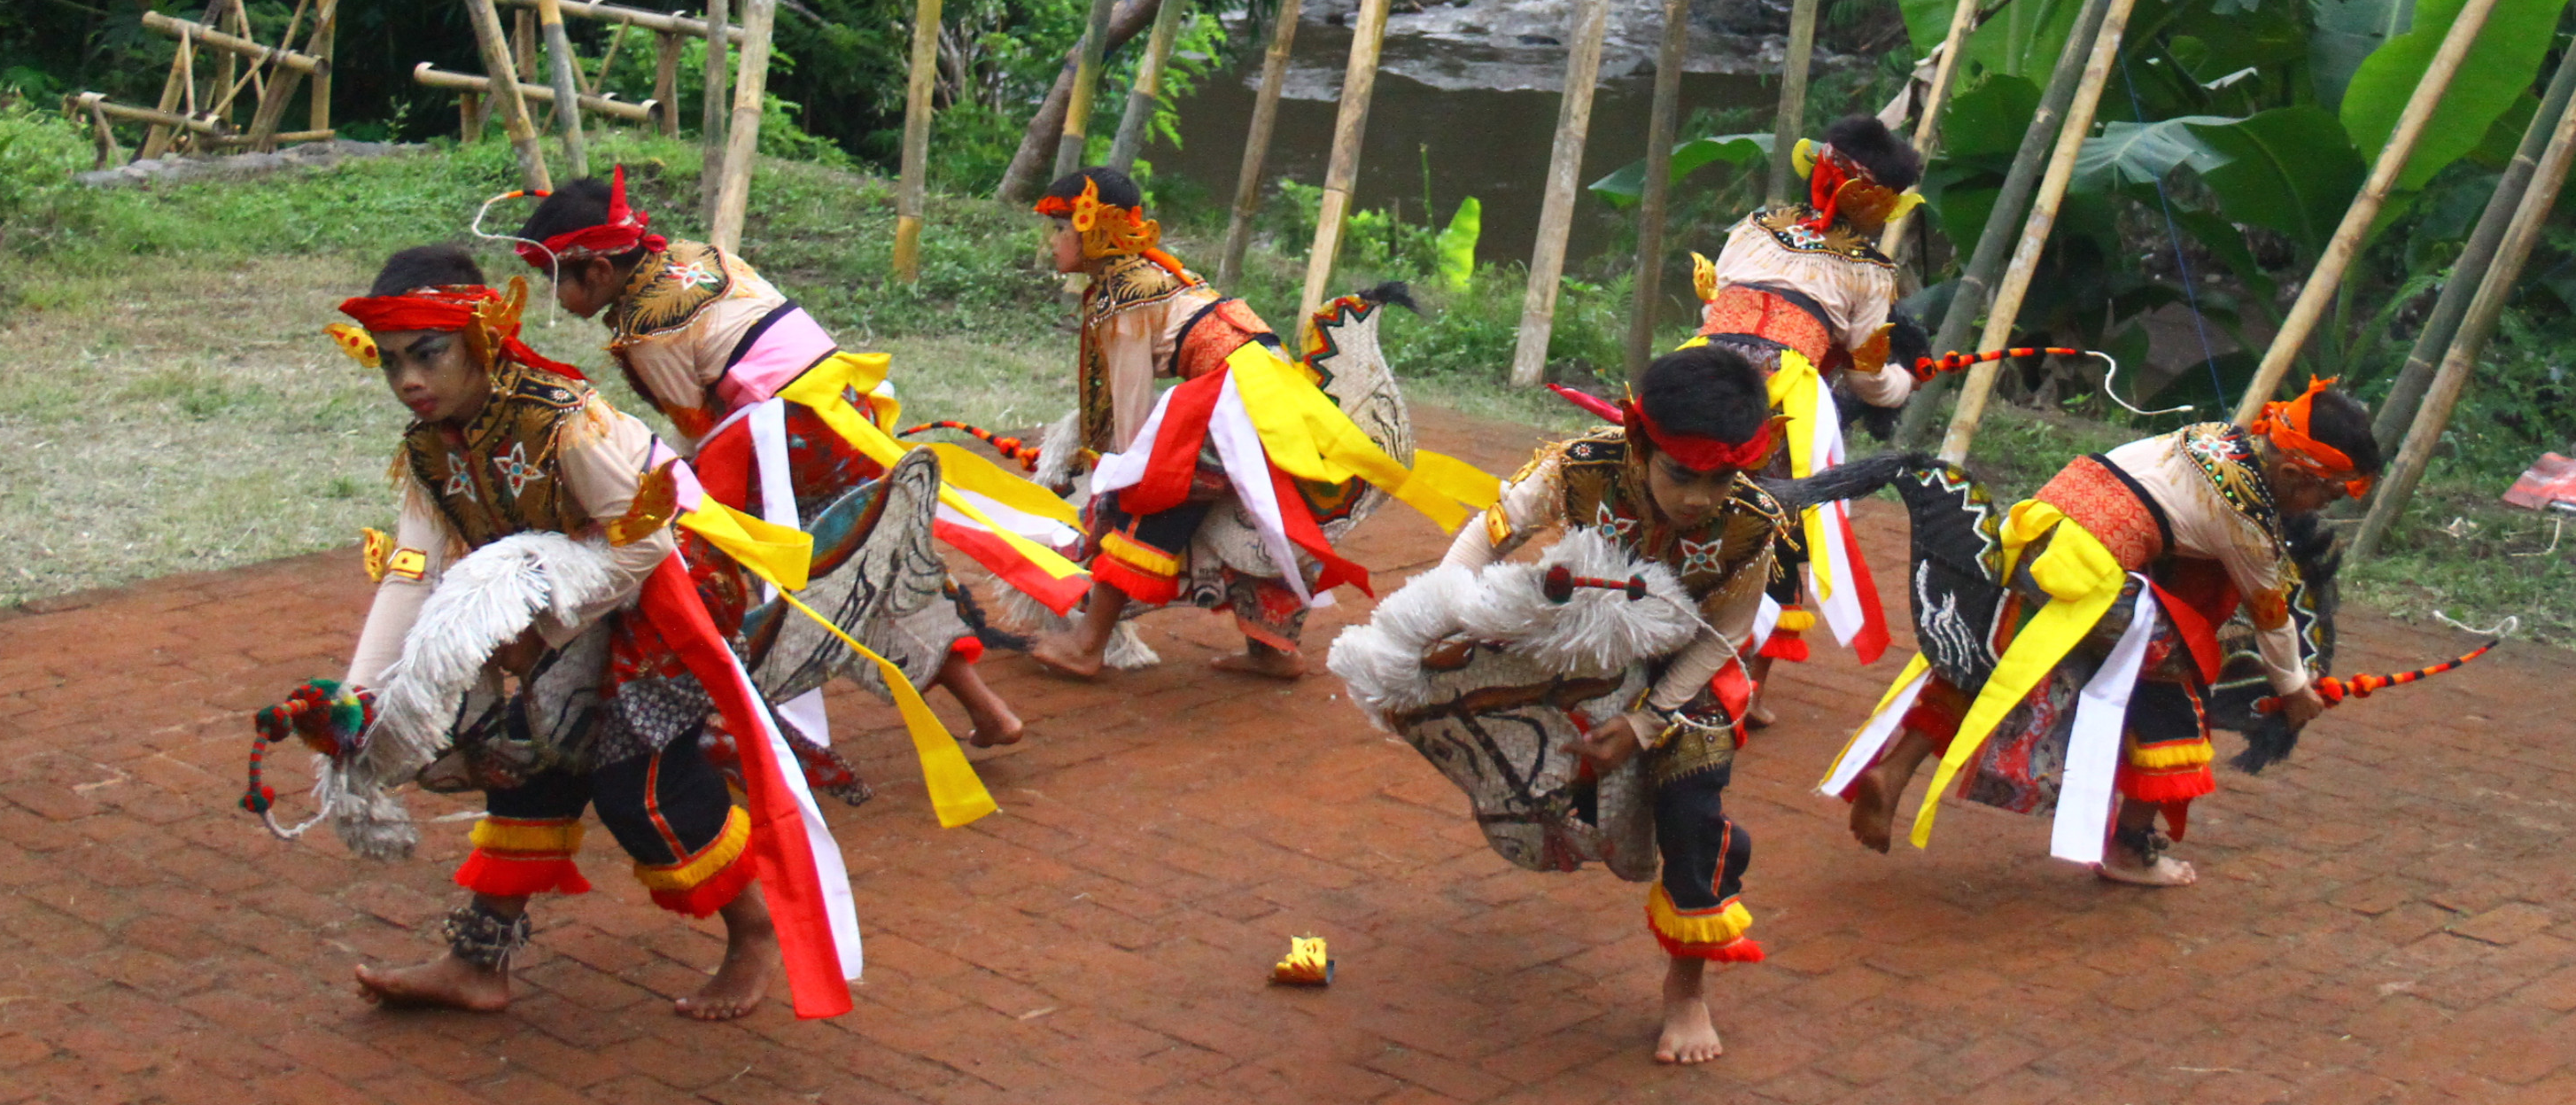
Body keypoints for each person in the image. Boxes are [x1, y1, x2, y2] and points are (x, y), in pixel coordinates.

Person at [328, 244, 801, 1020]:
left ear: (480, 339)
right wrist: (357, 697)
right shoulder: (427, 449)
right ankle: (478, 963)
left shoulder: (562, 418)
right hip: (563, 614)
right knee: (529, 768)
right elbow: (411, 568)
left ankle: (754, 935)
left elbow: (643, 543)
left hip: (664, 601)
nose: (408, 380)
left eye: (427, 355)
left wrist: (542, 628)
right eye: (389, 363)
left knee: (639, 789)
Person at [514, 168, 1027, 759]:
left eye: (556, 282)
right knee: (855, 566)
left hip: (784, 445)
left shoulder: (647, 330)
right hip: (842, 417)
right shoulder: (698, 255)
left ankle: (725, 722)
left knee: (701, 563)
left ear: (599, 271)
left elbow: (699, 432)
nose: (556, 297)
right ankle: (989, 710)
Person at [1829, 379, 2375, 886]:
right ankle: (2130, 847)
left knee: (1999, 661)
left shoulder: (2213, 436)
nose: (2320, 511)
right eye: (2324, 498)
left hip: (2037, 529)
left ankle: (1895, 772)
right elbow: (2271, 615)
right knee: (2184, 670)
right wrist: (2293, 690)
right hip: (2089, 577)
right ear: (2293, 475)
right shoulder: (2246, 516)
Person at [1440, 347, 1785, 1066]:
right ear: (1639, 443)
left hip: (1682, 668)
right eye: (1680, 474)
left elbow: (1727, 633)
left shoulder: (1753, 522)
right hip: (1577, 631)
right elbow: (1488, 534)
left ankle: (1686, 992)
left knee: (1694, 816)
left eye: (1718, 479)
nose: (1698, 499)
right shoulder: (1580, 466)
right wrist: (1444, 614)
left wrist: (1644, 721)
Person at [1024, 167, 1468, 681]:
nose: (1052, 241)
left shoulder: (1126, 295)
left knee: (1145, 495)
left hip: (1239, 402)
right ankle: (1273, 651)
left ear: (1096, 231)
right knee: (1256, 517)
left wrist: (1123, 471)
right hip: (1269, 394)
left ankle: (1087, 645)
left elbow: (1130, 411)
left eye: (1061, 228)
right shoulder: (1152, 275)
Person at [1691, 113, 1927, 709]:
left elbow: (1713, 305)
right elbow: (1869, 380)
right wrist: (1902, 384)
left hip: (1703, 363)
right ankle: (1747, 686)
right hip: (1786, 390)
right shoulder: (1869, 269)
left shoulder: (1755, 224)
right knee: (1784, 522)